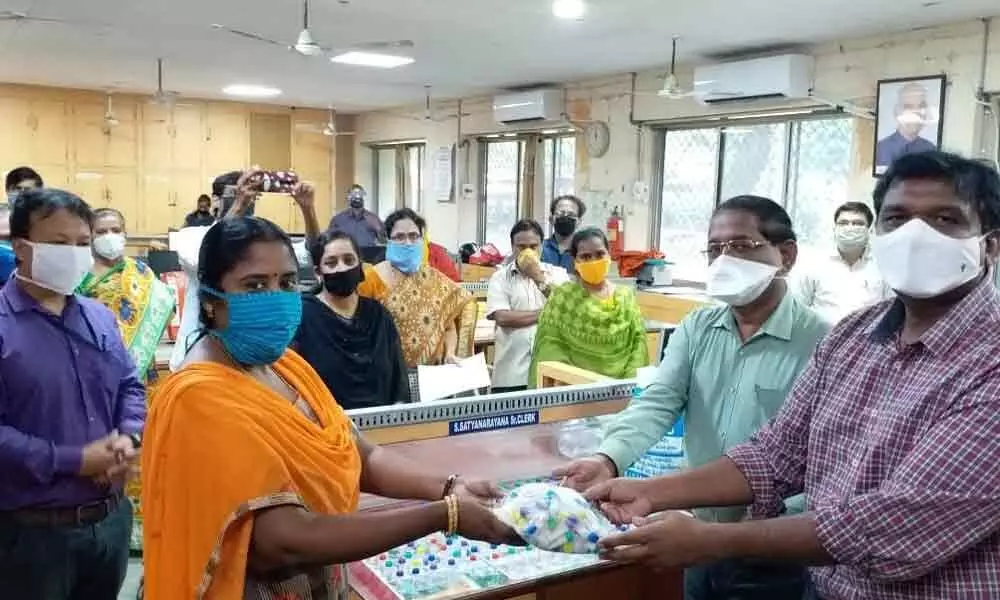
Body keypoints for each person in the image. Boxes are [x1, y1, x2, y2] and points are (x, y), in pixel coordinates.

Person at [589, 151, 1000, 599]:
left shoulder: (989, 363)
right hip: (820, 587)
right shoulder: (853, 338)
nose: (916, 238)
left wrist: (714, 541)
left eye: (944, 219)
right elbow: (774, 454)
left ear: (989, 245)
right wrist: (650, 493)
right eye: (897, 219)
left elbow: (895, 526)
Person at [141, 216, 519, 599]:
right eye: (255, 286)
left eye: (287, 283)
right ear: (209, 301)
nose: (276, 298)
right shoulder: (200, 398)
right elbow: (281, 540)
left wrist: (450, 487)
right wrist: (445, 515)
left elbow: (362, 456)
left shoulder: (287, 368)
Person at [557, 196, 828, 600]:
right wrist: (607, 458)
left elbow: (823, 453)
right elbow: (659, 401)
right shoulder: (698, 327)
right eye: (714, 248)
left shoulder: (823, 342)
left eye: (740, 246)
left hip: (773, 545)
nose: (724, 259)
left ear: (785, 254)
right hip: (694, 532)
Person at [0, 188, 144, 598]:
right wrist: (76, 460)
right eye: (59, 244)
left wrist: (128, 437)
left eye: (83, 243)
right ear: (21, 247)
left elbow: (130, 385)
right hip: (31, 535)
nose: (75, 254)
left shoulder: (99, 316)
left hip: (110, 522)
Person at [168, 169, 320, 371]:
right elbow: (208, 255)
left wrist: (307, 209)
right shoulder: (191, 236)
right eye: (255, 285)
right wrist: (238, 206)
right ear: (216, 199)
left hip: (256, 359)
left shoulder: (264, 243)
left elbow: (311, 254)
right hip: (206, 352)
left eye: (252, 193)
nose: (248, 198)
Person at [293, 229, 409, 410]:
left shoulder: (378, 315)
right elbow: (292, 383)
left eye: (349, 260)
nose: (342, 268)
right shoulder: (302, 315)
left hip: (382, 427)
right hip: (326, 430)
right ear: (318, 272)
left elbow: (399, 381)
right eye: (331, 263)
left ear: (360, 266)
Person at [528, 227, 647, 385]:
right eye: (585, 256)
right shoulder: (563, 298)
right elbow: (550, 352)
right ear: (575, 261)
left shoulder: (625, 297)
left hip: (622, 393)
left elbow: (638, 346)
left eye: (599, 254)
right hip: (573, 395)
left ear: (609, 255)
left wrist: (627, 387)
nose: (593, 261)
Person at [359, 208, 472, 367]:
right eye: (399, 237)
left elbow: (448, 328)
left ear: (422, 239)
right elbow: (360, 330)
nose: (408, 242)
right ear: (388, 240)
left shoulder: (434, 280)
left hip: (431, 377)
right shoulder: (370, 279)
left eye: (414, 236)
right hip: (387, 374)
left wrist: (450, 353)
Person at [79, 207, 176, 381]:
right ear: (90, 236)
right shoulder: (81, 276)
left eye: (115, 230)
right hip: (98, 364)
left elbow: (166, 307)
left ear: (125, 234)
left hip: (142, 362)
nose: (109, 236)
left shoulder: (140, 270)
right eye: (101, 231)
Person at [486, 219, 570, 393]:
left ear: (541, 246)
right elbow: (502, 317)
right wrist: (546, 313)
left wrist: (538, 278)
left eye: (533, 246)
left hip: (551, 372)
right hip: (511, 374)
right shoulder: (500, 278)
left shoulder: (558, 275)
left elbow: (566, 310)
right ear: (512, 246)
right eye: (522, 247)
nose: (528, 252)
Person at [791, 201, 891, 323]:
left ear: (870, 229)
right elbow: (798, 308)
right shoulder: (815, 264)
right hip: (821, 339)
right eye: (843, 223)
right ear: (835, 228)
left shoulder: (883, 266)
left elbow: (890, 310)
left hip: (868, 340)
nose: (850, 228)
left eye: (857, 223)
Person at [874, 82, 938, 171]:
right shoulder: (881, 148)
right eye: (909, 107)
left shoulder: (931, 150)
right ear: (897, 112)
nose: (916, 113)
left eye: (921, 107)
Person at [541, 194, 586, 272]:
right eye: (561, 213)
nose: (565, 217)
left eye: (571, 215)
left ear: (579, 222)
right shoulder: (539, 248)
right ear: (551, 219)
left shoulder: (585, 251)